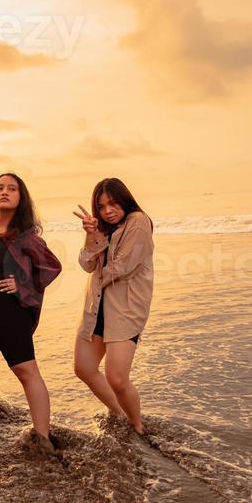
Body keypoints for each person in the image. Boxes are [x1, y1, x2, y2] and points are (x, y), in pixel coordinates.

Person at [0, 173, 62, 449]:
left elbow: (52, 267)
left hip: (9, 313)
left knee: (26, 372)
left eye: (12, 188)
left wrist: (21, 284)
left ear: (20, 198)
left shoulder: (25, 236)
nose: (5, 191)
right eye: (0, 188)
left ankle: (43, 438)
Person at [73, 177, 154, 435]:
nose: (108, 210)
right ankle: (118, 413)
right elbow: (86, 264)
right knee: (84, 368)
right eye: (102, 206)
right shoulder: (103, 229)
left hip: (125, 309)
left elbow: (123, 265)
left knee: (117, 379)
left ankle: (138, 427)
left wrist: (98, 245)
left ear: (125, 200)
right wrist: (92, 235)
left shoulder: (138, 222)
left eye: (113, 203)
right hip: (96, 307)